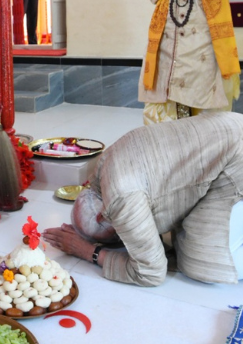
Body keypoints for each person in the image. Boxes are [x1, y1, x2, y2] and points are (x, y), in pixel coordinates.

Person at [43, 111, 243, 286]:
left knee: (202, 266)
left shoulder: (121, 198)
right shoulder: (101, 171)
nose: (122, 236)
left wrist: (86, 251)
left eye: (118, 233)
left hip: (236, 160)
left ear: (102, 217)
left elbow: (151, 273)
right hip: (230, 128)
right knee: (184, 240)